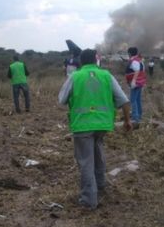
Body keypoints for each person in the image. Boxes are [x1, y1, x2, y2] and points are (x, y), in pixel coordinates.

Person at [58, 49, 131, 210]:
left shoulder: (75, 76)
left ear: (81, 62)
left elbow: (61, 99)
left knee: (86, 162)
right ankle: (101, 185)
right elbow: (124, 101)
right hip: (103, 125)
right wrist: (127, 121)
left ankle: (89, 200)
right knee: (98, 153)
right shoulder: (107, 76)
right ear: (96, 60)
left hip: (83, 125)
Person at [125, 47, 146, 124]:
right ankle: (139, 115)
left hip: (136, 83)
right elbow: (142, 70)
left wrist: (133, 81)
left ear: (130, 53)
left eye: (128, 53)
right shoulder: (139, 60)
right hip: (140, 82)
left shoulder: (134, 61)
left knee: (133, 100)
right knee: (137, 99)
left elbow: (137, 71)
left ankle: (135, 118)